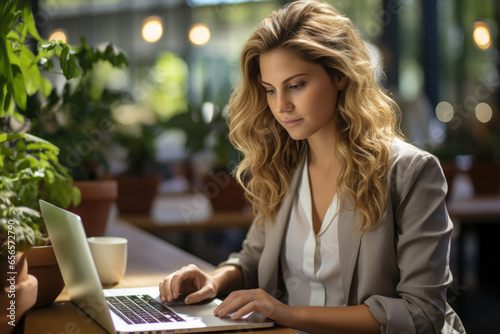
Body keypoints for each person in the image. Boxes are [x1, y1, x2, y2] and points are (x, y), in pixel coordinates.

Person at [159, 1, 466, 333]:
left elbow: (422, 314)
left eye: (296, 85)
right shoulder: (281, 165)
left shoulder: (410, 172)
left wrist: (289, 314)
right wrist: (214, 280)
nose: (281, 106)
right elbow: (254, 257)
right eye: (270, 90)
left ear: (339, 76)